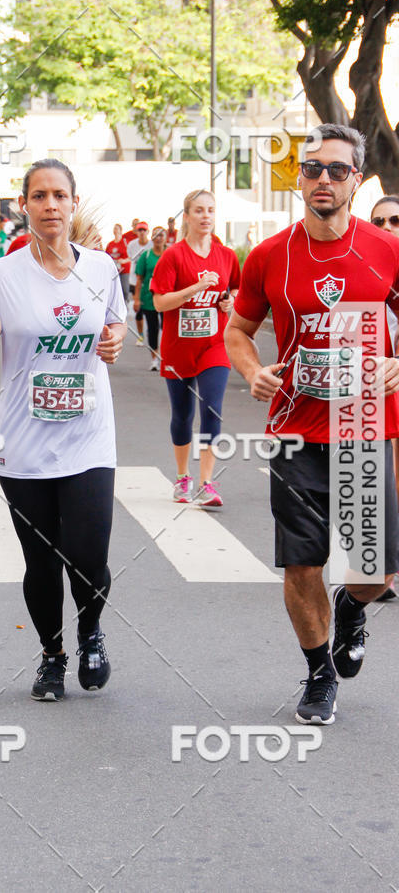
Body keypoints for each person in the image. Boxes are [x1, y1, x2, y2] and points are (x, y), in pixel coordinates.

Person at [225, 123, 399, 725]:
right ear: (299, 178)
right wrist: (252, 371)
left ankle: (351, 608)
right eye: (312, 168)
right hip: (295, 431)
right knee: (302, 564)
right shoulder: (270, 254)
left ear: (357, 179)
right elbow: (238, 330)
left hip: (364, 426)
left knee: (376, 572)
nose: (323, 179)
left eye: (337, 169)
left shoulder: (386, 249)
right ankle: (319, 673)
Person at [0, 158, 127, 702]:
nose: (50, 205)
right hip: (24, 441)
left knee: (88, 553)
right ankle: (52, 655)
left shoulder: (102, 268)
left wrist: (115, 340)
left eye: (59, 195)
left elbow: (115, 324)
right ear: (25, 206)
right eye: (39, 196)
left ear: (73, 203)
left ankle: (91, 632)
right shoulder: (1, 274)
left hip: (89, 436)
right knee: (40, 560)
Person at [152, 190, 240, 508]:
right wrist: (196, 288)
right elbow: (160, 302)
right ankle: (182, 476)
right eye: (199, 210)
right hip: (178, 348)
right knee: (183, 415)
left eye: (211, 210)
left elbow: (235, 288)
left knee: (211, 409)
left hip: (214, 345)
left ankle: (206, 483)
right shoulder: (173, 256)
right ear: (187, 216)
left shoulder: (227, 255)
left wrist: (230, 301)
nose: (206, 216)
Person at [370, 194, 399, 602]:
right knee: (382, 476)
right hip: (376, 389)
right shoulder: (364, 272)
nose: (387, 228)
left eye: (395, 220)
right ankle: (382, 567)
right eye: (378, 222)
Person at [134, 226, 166, 370]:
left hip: (168, 299)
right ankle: (154, 360)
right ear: (152, 238)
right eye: (156, 235)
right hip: (149, 299)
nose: (158, 238)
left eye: (161, 235)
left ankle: (167, 358)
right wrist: (136, 299)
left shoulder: (170, 254)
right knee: (153, 330)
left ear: (165, 238)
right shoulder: (146, 256)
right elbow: (139, 279)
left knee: (167, 330)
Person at [127, 221, 152, 344]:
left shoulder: (152, 244)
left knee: (151, 310)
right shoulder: (132, 245)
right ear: (136, 232)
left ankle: (151, 333)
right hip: (134, 280)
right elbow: (131, 258)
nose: (142, 232)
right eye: (140, 230)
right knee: (139, 309)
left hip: (150, 282)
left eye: (144, 230)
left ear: (147, 232)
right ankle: (140, 335)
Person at [105, 224, 130, 307]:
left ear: (121, 231)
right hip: (114, 270)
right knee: (114, 289)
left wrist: (124, 260)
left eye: (117, 229)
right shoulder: (110, 244)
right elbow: (106, 256)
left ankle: (125, 305)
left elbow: (131, 256)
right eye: (114, 229)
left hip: (124, 269)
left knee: (124, 289)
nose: (115, 230)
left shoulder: (125, 243)